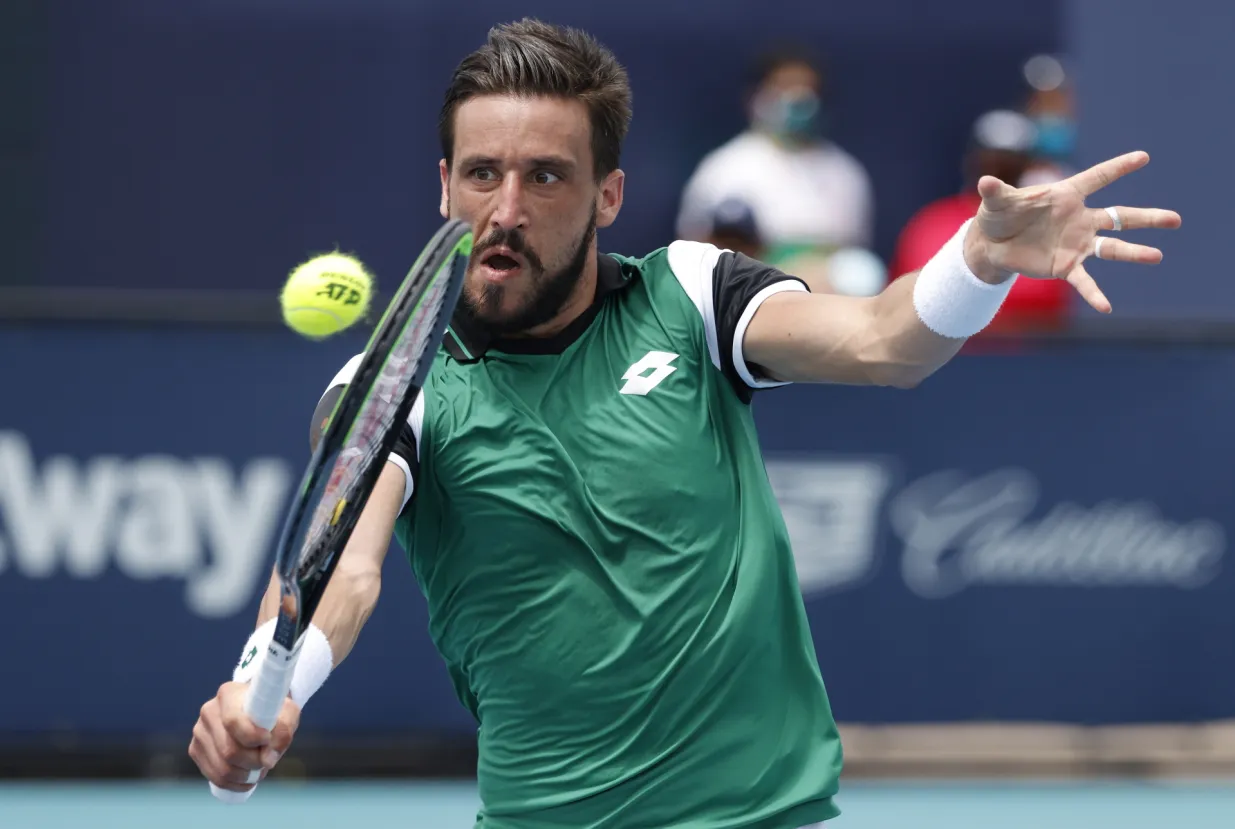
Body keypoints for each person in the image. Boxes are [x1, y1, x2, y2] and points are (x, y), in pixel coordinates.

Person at [188, 19, 1180, 828]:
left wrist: (979, 263)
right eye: (481, 174)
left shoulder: (691, 294)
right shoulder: (390, 381)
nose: (504, 208)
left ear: (607, 194)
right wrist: (261, 694)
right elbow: (340, 570)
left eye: (545, 177)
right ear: (443, 185)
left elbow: (884, 340)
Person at [675, 45, 875, 259]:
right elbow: (697, 255)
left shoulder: (844, 173)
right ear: (756, 97)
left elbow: (855, 253)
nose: (799, 98)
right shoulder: (725, 169)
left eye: (808, 89)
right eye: (785, 87)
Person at [889, 109, 1072, 333]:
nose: (997, 171)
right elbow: (903, 303)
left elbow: (1049, 310)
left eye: (1009, 164)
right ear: (973, 161)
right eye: (990, 160)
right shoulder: (931, 225)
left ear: (1027, 166)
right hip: (944, 360)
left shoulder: (1046, 232)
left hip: (1026, 362)